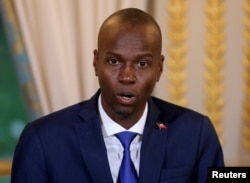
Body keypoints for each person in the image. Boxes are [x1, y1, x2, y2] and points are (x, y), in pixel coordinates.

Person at [11, 8, 224, 183]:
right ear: (96, 62)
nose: (127, 76)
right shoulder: (42, 139)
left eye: (142, 64)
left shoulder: (196, 133)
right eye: (114, 61)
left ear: (159, 68)